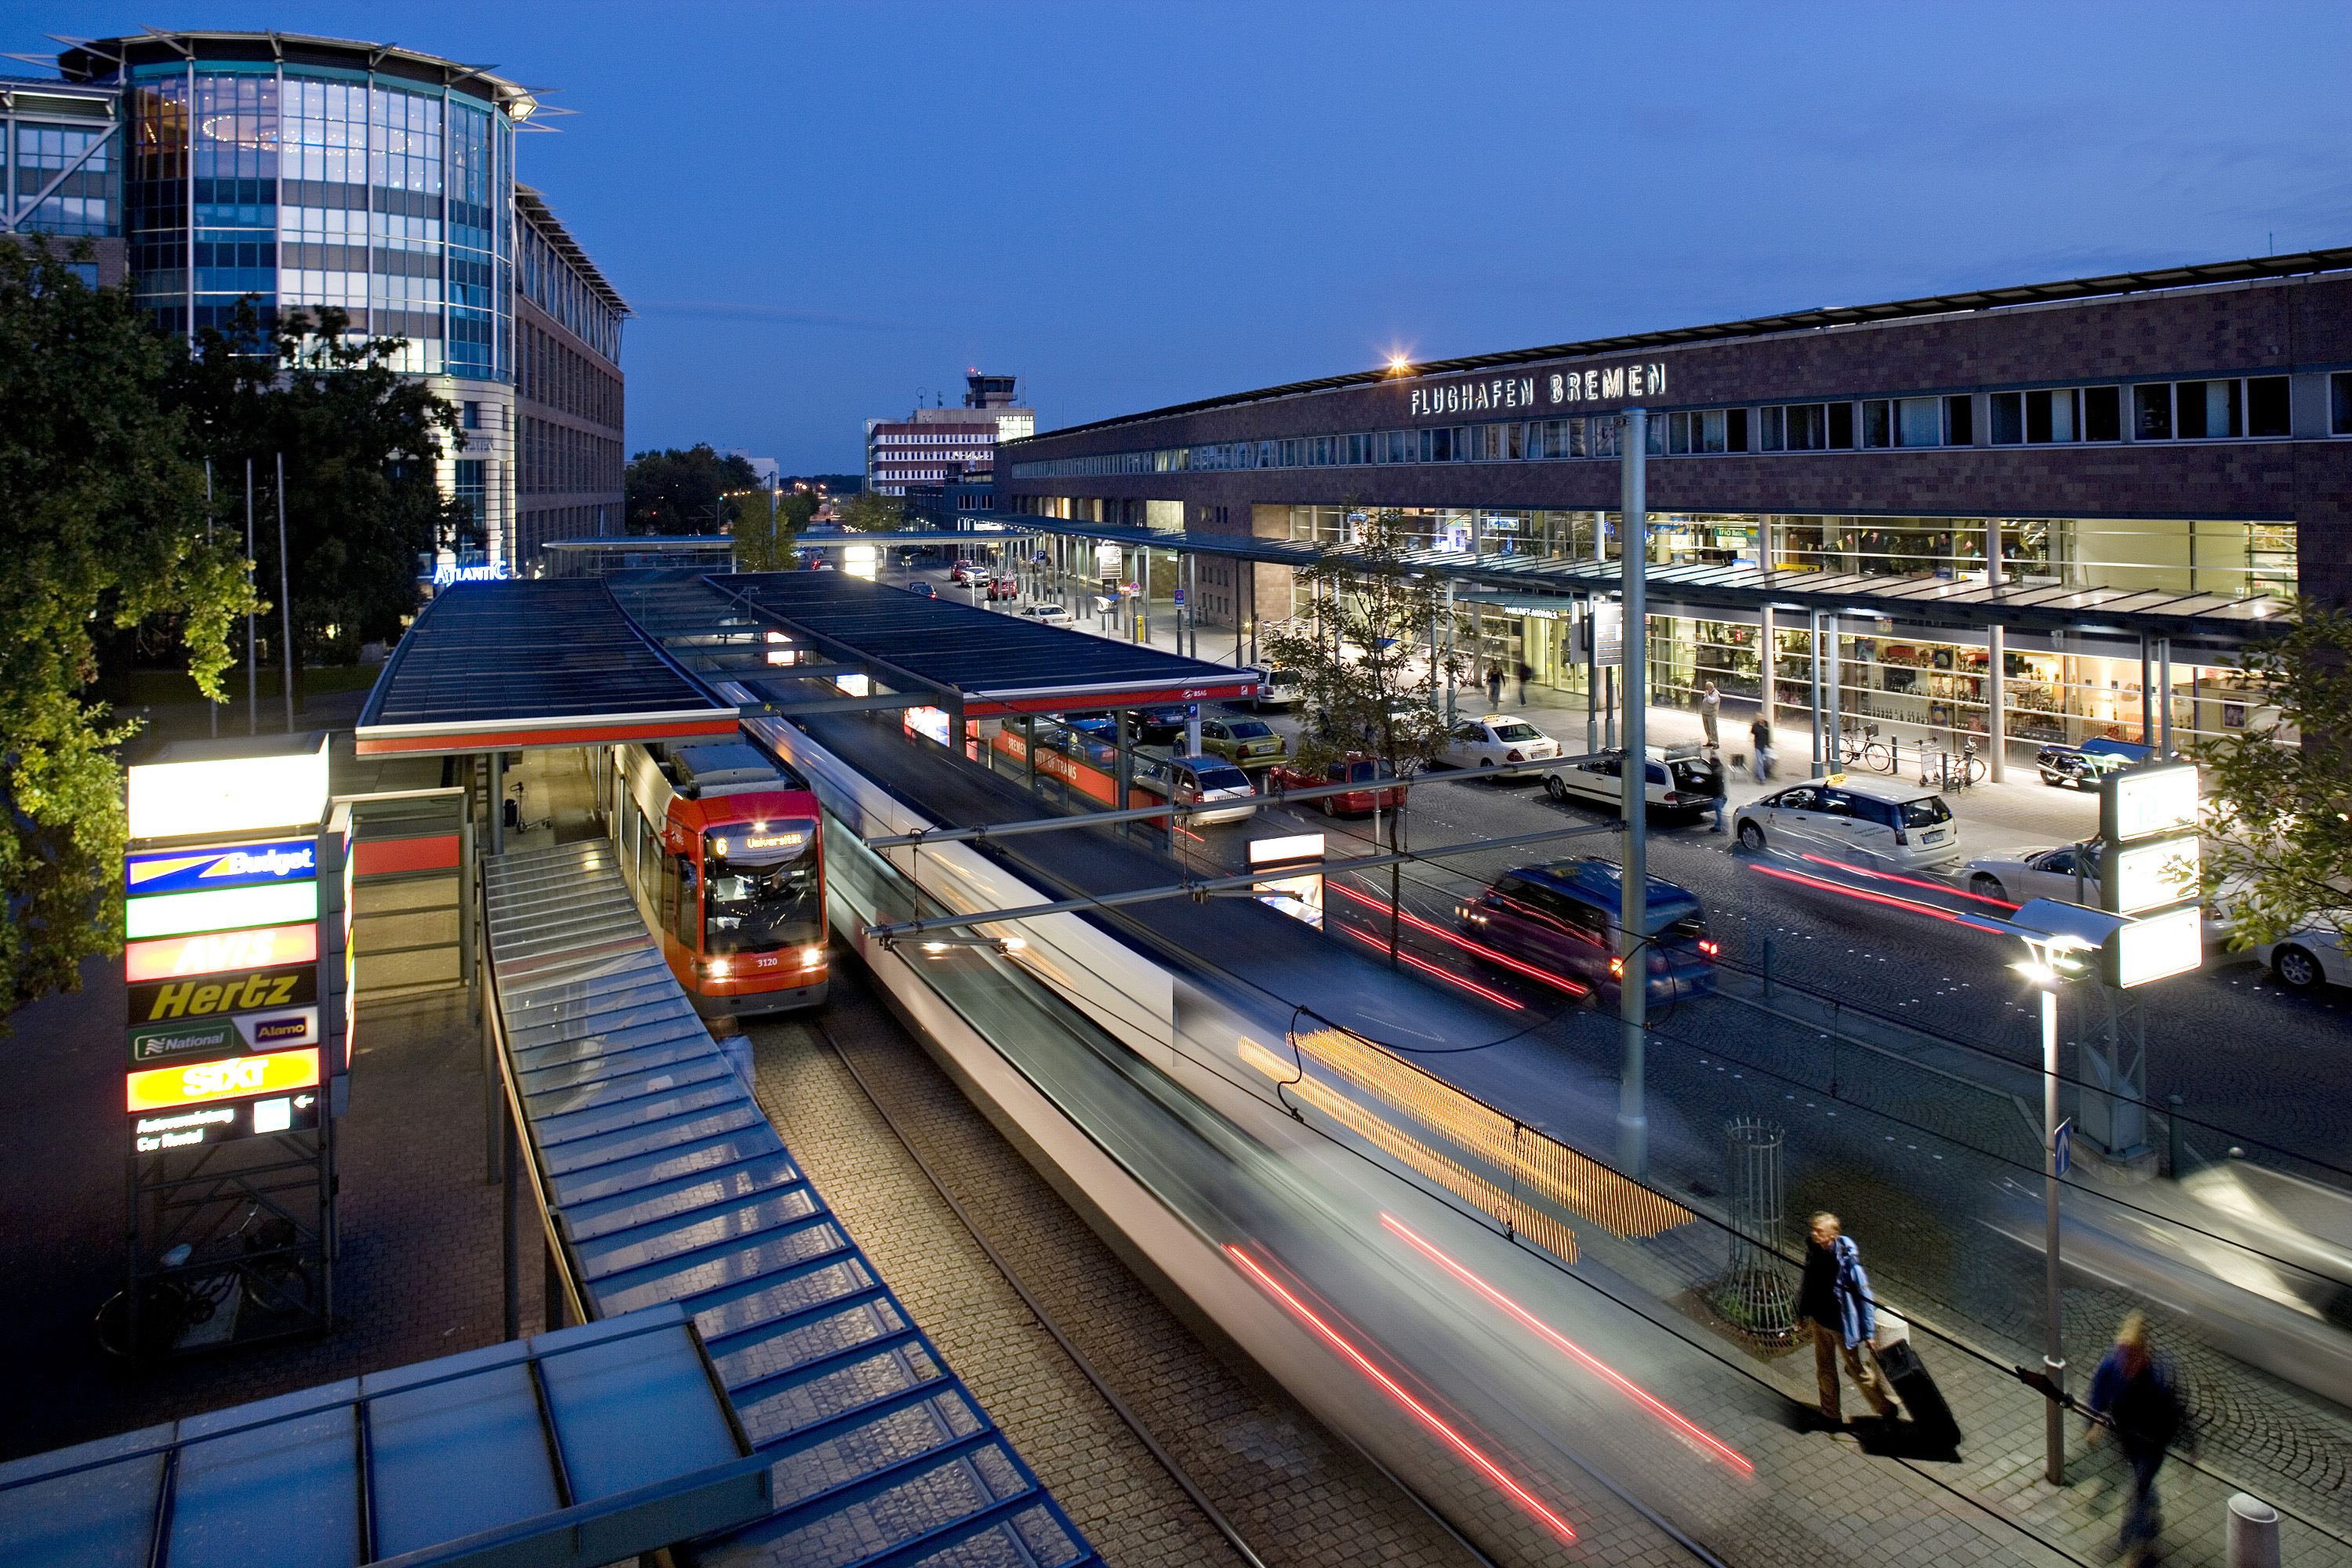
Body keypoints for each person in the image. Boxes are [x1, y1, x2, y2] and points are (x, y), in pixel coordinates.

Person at [2088, 1312, 2187, 1565]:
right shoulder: (2113, 1364)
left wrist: (2190, 1448)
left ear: (2144, 1354)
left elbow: (2177, 1413)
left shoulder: (2161, 1373)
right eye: (2123, 1356)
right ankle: (2150, 1515)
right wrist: (2095, 1422)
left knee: (2139, 1485)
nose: (2126, 1365)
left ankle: (2138, 1547)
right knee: (2139, 1483)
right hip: (2126, 1436)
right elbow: (2098, 1394)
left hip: (2152, 1442)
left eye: (2131, 1358)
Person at [1798, 1212, 1895, 1425]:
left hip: (1842, 1327)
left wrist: (1869, 1333)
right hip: (1819, 1321)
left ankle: (1886, 1408)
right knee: (1824, 1368)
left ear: (1833, 1235)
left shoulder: (1848, 1262)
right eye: (1813, 1229)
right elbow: (1806, 1284)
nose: (1814, 1234)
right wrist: (1801, 1313)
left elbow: (1865, 1298)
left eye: (1819, 1231)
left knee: (1856, 1369)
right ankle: (1831, 1414)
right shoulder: (1814, 1252)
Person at [1701, 747, 1727, 833]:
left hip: (1717, 793)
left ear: (1715, 761)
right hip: (1719, 792)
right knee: (1718, 810)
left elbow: (1712, 782)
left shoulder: (1716, 772)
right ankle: (1720, 825)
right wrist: (1711, 751)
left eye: (1711, 761)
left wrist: (1703, 781)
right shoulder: (1720, 768)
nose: (1710, 763)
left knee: (1718, 810)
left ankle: (1720, 826)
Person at [1750, 713, 1774, 783]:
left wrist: (1769, 745)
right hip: (1758, 746)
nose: (1760, 718)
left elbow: (1768, 734)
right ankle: (1762, 779)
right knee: (1760, 762)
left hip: (1766, 746)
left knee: (1769, 762)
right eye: (1758, 716)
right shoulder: (1755, 725)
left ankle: (1761, 773)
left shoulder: (1766, 724)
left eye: (1761, 716)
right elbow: (1753, 732)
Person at [1700, 681, 1722, 748]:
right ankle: (1710, 741)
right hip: (1705, 713)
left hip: (1711, 714)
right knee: (1707, 728)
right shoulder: (1708, 692)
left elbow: (1711, 701)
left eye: (1707, 687)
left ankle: (1716, 743)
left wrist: (1707, 695)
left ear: (1711, 687)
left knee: (1713, 729)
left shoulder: (1716, 694)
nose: (1706, 689)